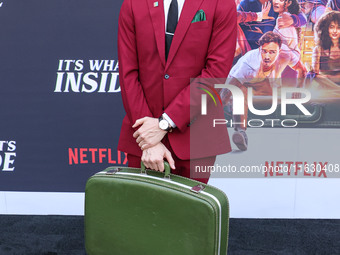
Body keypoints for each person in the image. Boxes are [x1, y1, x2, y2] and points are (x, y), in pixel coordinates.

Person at [117, 0, 237, 183]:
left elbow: (215, 73)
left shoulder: (221, 3)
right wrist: (149, 139)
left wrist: (165, 123)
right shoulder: (133, 3)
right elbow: (128, 73)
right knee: (142, 210)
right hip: (143, 137)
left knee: (190, 212)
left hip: (196, 137)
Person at [221, 31, 307, 151]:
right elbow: (227, 91)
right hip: (242, 82)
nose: (267, 56)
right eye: (264, 51)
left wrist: (299, 88)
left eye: (272, 52)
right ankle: (240, 132)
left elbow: (302, 69)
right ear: (260, 49)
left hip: (264, 82)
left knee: (276, 99)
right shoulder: (248, 66)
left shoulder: (286, 53)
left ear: (279, 50)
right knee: (240, 94)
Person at [237, 0, 307, 49]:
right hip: (251, 49)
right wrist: (263, 37)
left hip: (278, 50)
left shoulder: (277, 3)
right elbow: (237, 28)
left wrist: (292, 19)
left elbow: (303, 19)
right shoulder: (245, 4)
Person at [308, 11, 340, 93]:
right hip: (324, 87)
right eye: (331, 27)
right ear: (325, 28)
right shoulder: (318, 49)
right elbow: (316, 76)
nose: (335, 31)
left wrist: (328, 77)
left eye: (338, 27)